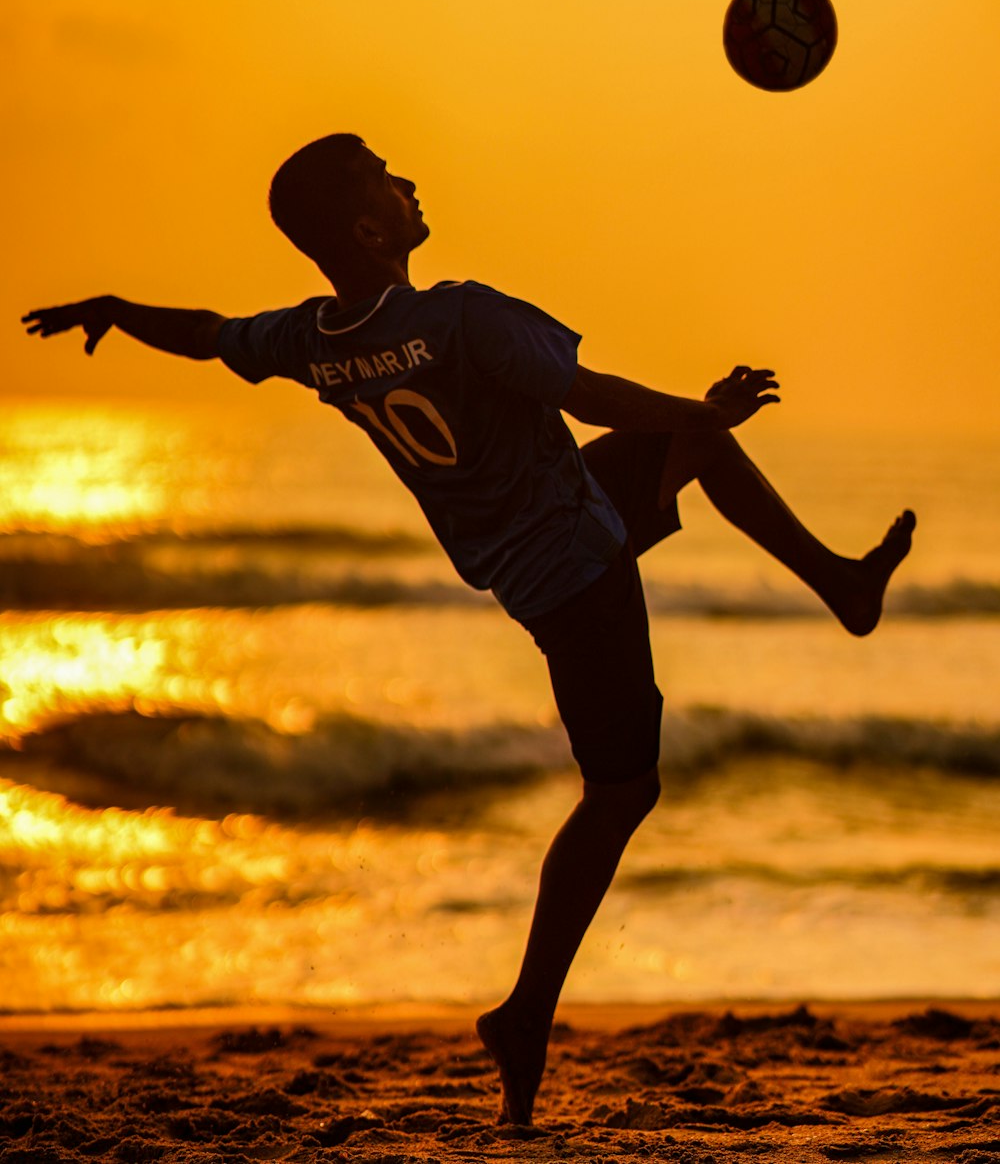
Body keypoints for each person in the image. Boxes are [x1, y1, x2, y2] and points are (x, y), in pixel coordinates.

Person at [22, 132, 915, 1126]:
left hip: (538, 543)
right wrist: (707, 406)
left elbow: (210, 332)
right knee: (622, 792)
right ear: (369, 225)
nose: (410, 184)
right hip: (578, 567)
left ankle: (839, 582)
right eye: (390, 180)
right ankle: (525, 1012)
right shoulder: (462, 317)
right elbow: (589, 394)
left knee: (687, 453)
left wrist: (115, 310)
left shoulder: (315, 339)